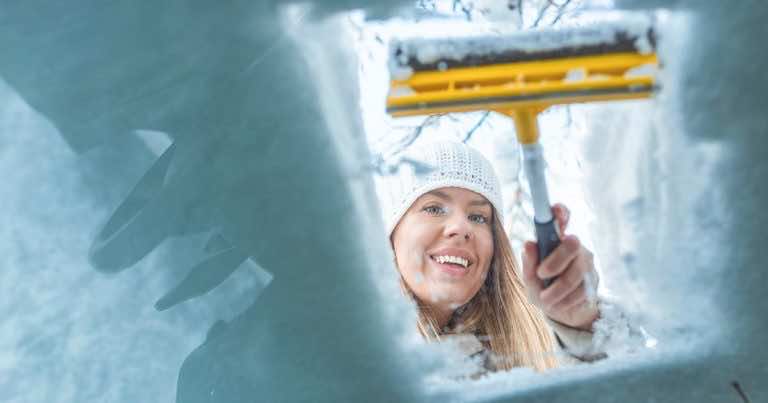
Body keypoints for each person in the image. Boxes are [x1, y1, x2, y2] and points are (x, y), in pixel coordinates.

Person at [382, 141, 604, 374]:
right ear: (390, 234)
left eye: (478, 217)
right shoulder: (352, 354)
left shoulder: (515, 363)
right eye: (434, 208)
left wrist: (583, 327)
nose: (461, 227)